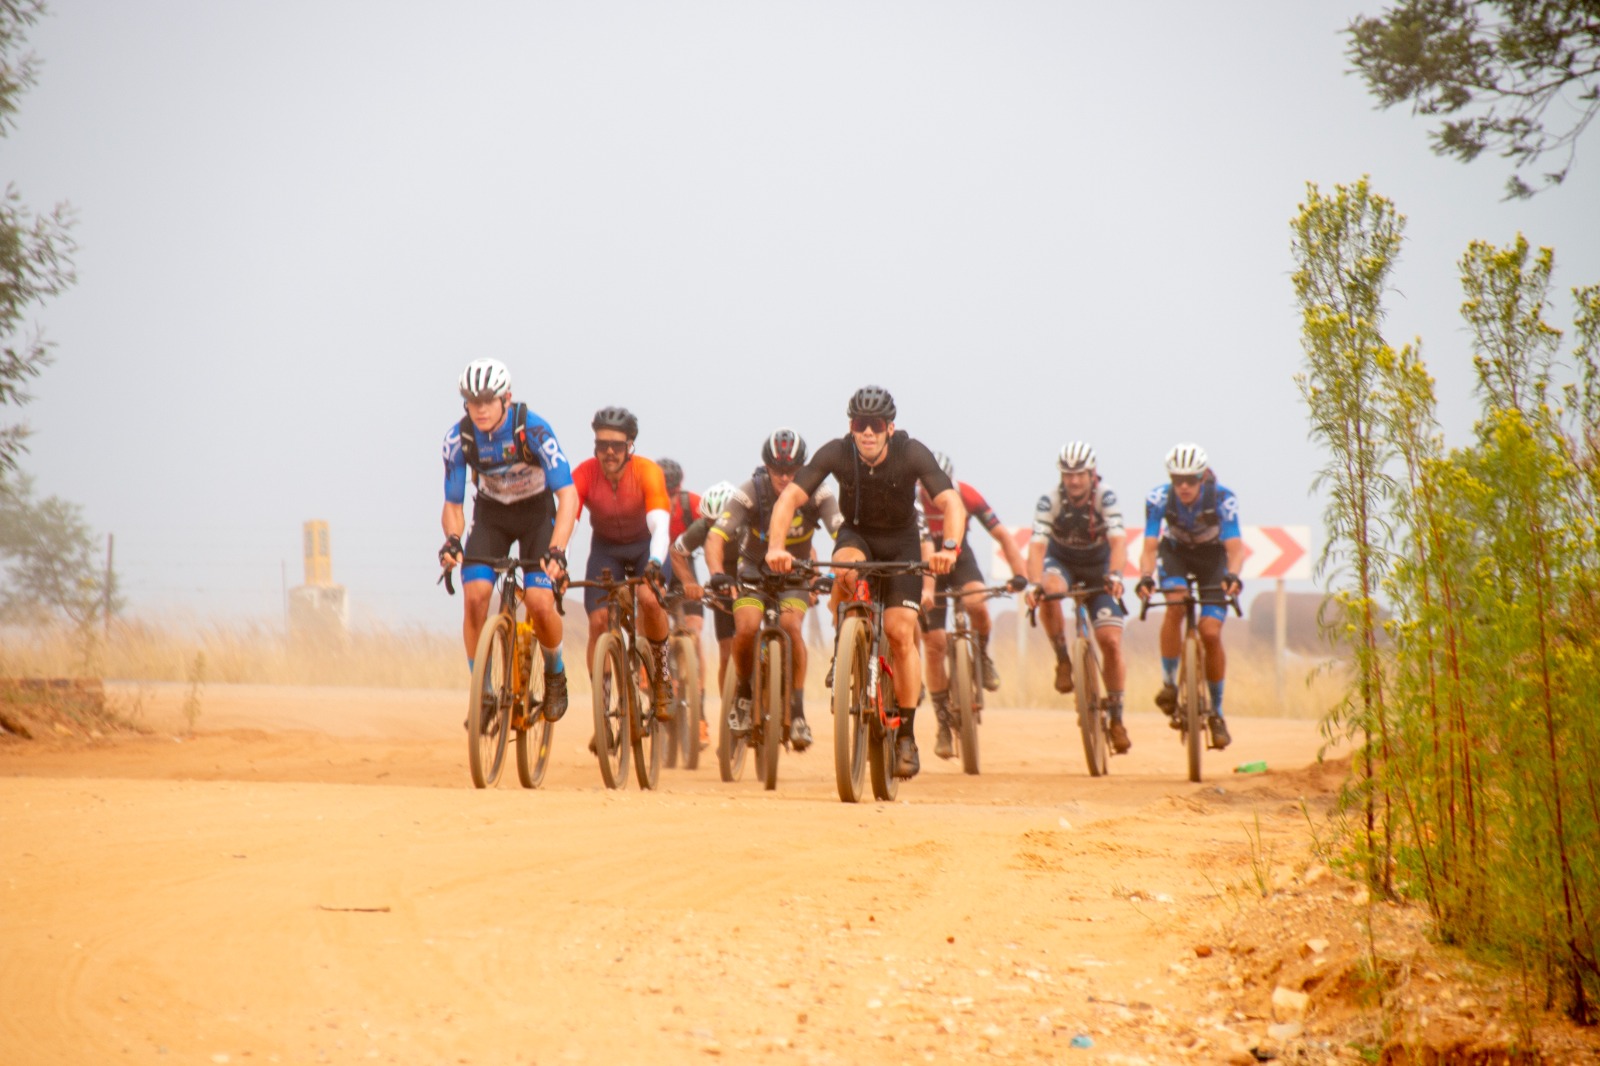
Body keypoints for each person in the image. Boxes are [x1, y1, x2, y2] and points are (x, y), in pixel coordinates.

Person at [765, 386, 963, 779]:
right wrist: (775, 547)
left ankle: (905, 734)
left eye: (875, 425)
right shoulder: (837, 452)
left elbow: (951, 503)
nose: (867, 433)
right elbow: (789, 499)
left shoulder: (912, 453)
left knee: (900, 632)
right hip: (858, 538)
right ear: (851, 427)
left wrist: (950, 549)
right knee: (845, 568)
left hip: (902, 545)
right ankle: (847, 643)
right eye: (860, 424)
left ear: (890, 427)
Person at [439, 358, 578, 721]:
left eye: (488, 400)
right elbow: (452, 504)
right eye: (472, 401)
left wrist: (558, 550)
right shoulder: (459, 439)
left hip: (536, 517)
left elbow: (568, 496)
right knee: (475, 598)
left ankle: (555, 672)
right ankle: (483, 693)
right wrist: (453, 540)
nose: (480, 409)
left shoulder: (534, 430)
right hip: (493, 516)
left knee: (539, 602)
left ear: (507, 399)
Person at [707, 429, 843, 753]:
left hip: (795, 576)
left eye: (792, 470)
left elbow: (843, 534)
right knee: (747, 628)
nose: (784, 477)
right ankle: (742, 693)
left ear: (803, 467)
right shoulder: (750, 492)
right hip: (753, 570)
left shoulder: (820, 494)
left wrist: (834, 573)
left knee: (791, 627)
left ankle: (797, 713)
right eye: (777, 469)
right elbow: (716, 536)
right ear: (766, 466)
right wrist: (716, 575)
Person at [918, 451, 1029, 760]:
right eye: (929, 488)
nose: (935, 494)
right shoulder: (911, 501)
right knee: (934, 643)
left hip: (961, 562)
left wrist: (1021, 575)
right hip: (928, 568)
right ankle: (942, 721)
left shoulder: (966, 495)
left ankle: (981, 655)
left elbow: (1003, 536)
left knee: (977, 603)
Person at [1134, 443, 1244, 750]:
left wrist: (1233, 575)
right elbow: (1150, 546)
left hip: (1213, 558)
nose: (1183, 486)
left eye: (1191, 480)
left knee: (1210, 632)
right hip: (1176, 553)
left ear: (1203, 476)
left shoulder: (1224, 498)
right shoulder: (1158, 498)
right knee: (1175, 605)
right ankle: (1169, 684)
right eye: (1177, 479)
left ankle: (1217, 714)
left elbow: (1235, 548)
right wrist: (1145, 576)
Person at [1024, 442, 1130, 753]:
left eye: (1079, 475)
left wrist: (1116, 575)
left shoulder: (1105, 497)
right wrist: (1033, 584)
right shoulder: (1050, 500)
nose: (1073, 481)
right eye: (1068, 474)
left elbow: (1119, 541)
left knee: (1110, 641)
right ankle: (1063, 660)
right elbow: (1036, 547)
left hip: (1099, 566)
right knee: (1049, 590)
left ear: (1091, 473)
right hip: (1063, 562)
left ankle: (1117, 718)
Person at [570, 406, 675, 713]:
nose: (610, 452)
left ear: (631, 446)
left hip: (645, 547)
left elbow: (660, 525)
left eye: (617, 445)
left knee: (651, 600)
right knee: (598, 622)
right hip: (605, 551)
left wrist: (655, 562)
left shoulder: (647, 472)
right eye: (603, 445)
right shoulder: (584, 473)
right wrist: (557, 558)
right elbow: (569, 523)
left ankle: (661, 678)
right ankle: (602, 709)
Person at [669, 480, 739, 690]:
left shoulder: (752, 522)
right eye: (710, 522)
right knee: (726, 653)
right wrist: (689, 582)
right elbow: (676, 552)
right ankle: (730, 709)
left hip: (751, 576)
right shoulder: (700, 528)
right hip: (723, 585)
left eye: (721, 522)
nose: (716, 528)